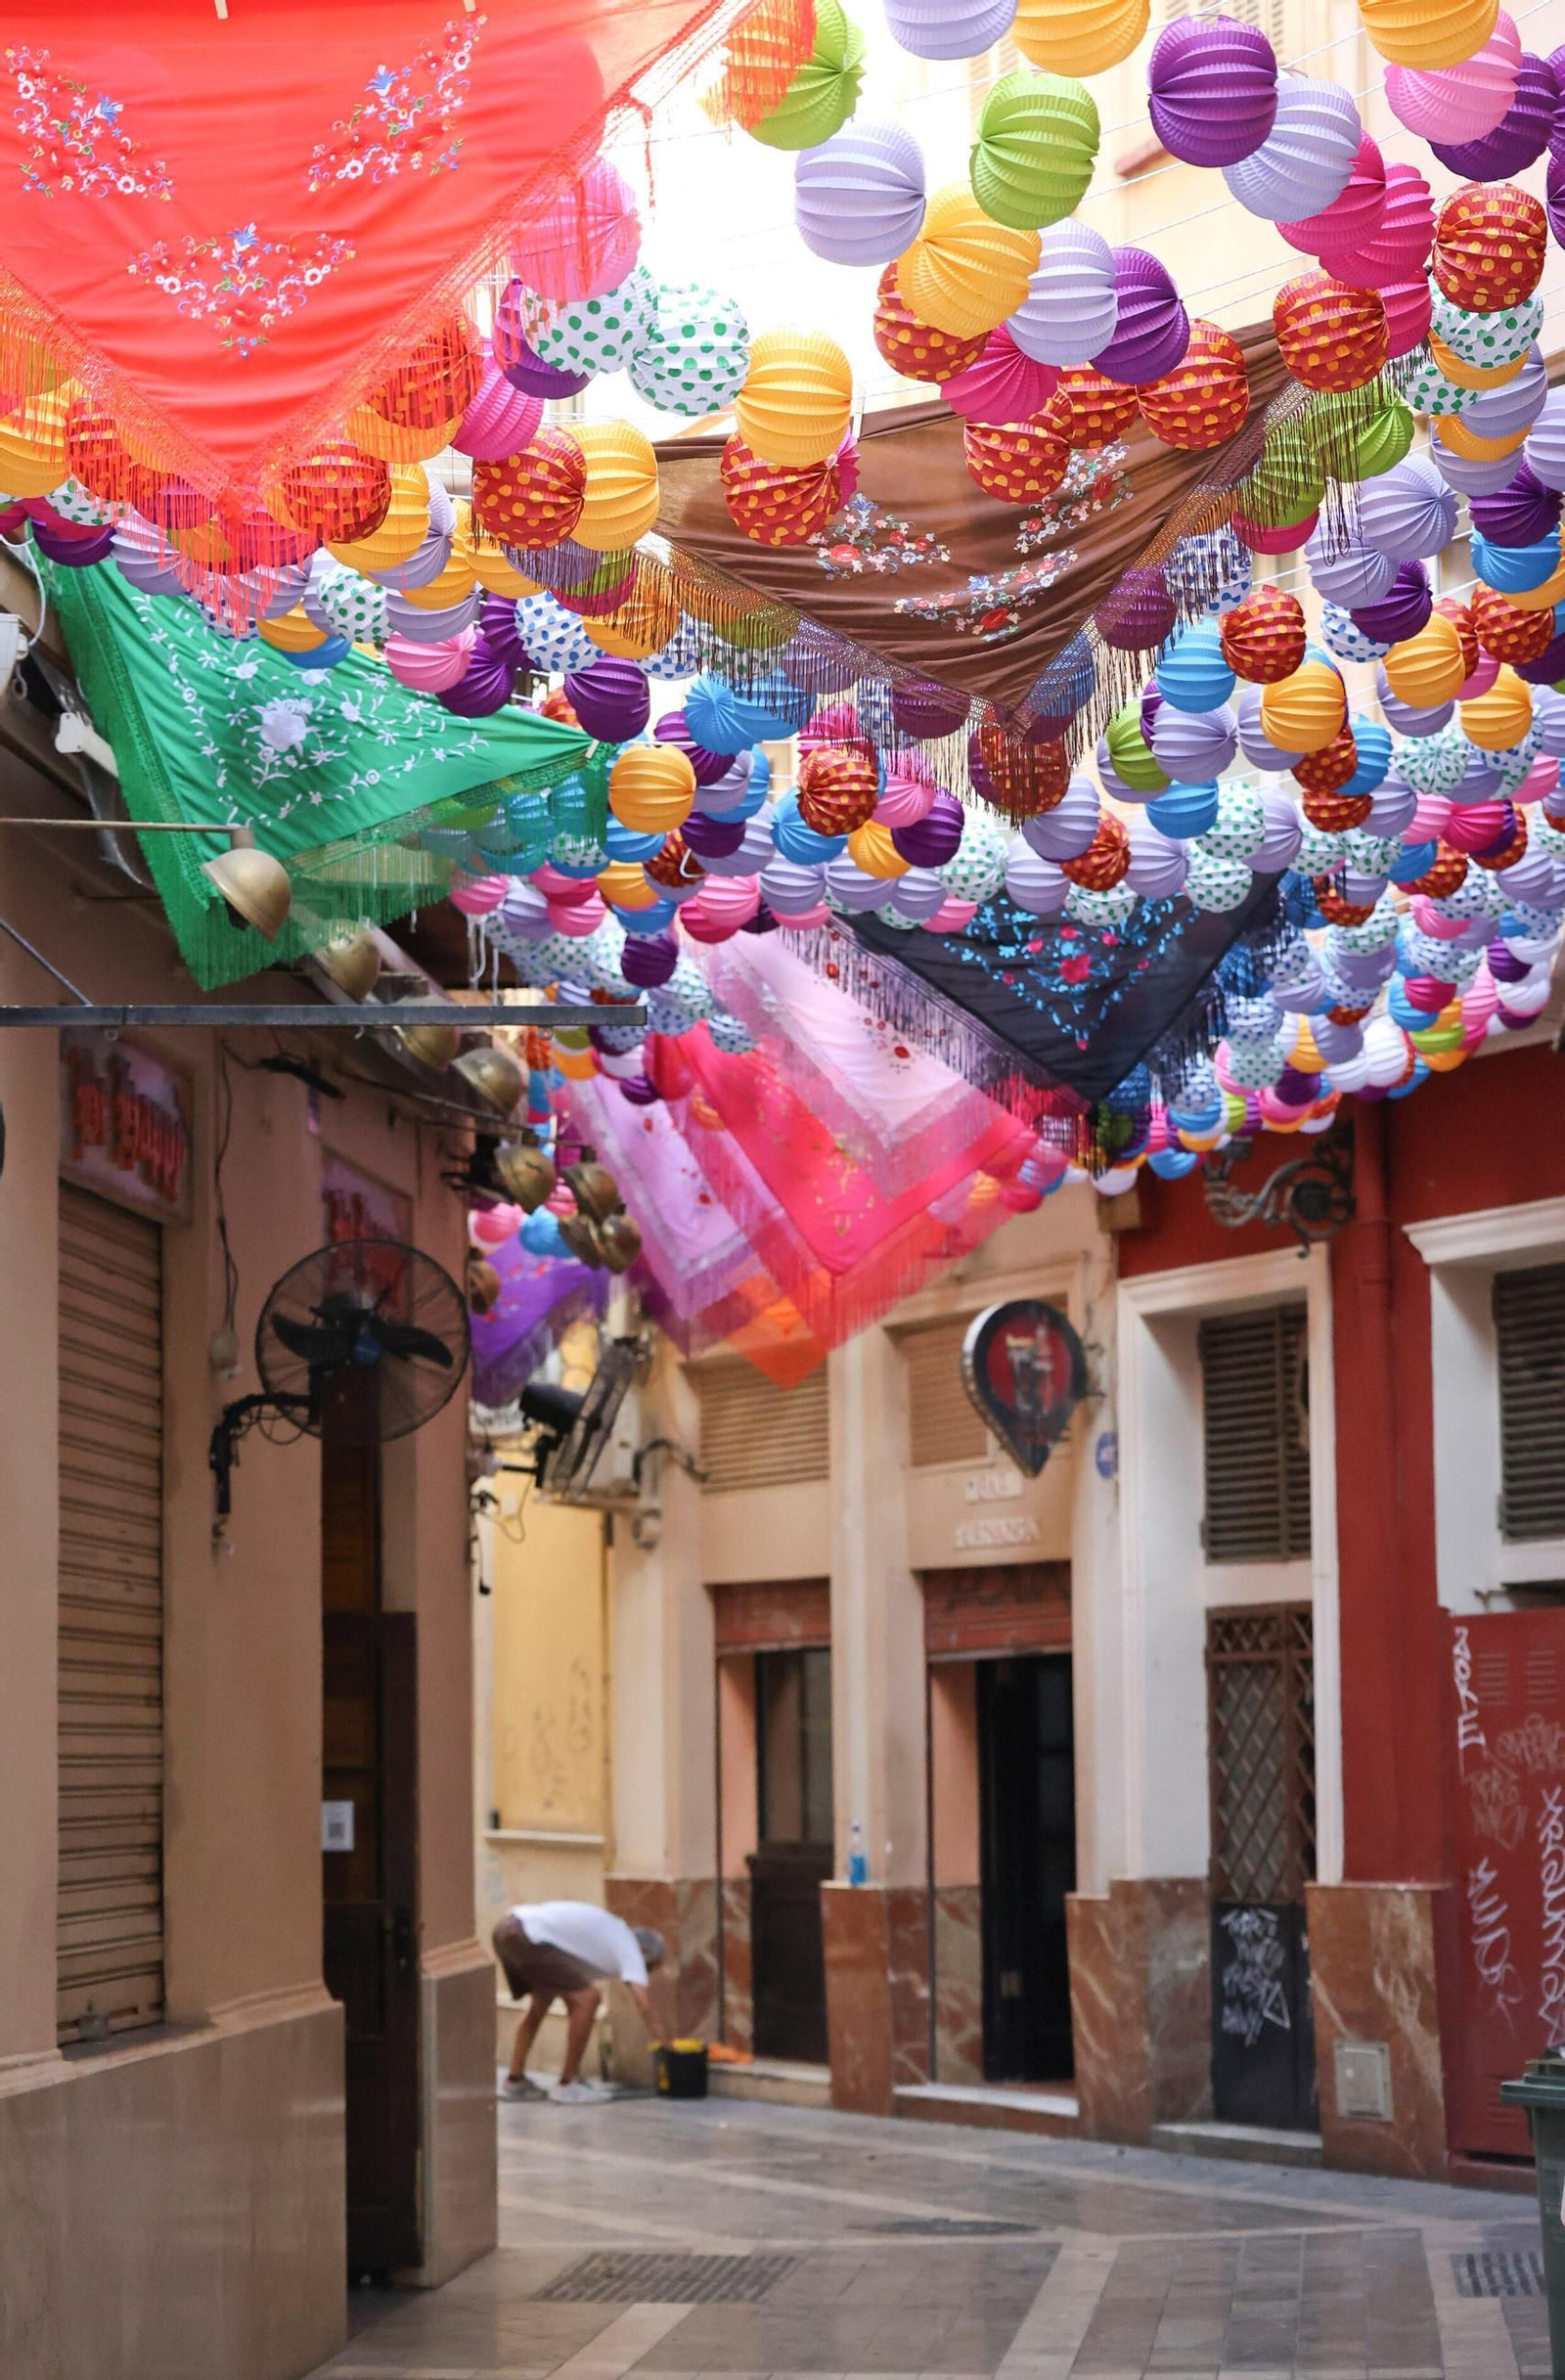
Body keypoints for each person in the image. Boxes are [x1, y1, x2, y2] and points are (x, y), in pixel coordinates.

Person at [492, 1900, 667, 2103]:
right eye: (650, 1967)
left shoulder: (604, 1941)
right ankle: (569, 2083)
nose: (647, 1973)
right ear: (645, 1952)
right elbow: (644, 2004)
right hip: (528, 1935)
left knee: (540, 2003)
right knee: (588, 1999)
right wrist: (667, 2047)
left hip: (508, 1929)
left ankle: (515, 2080)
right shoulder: (628, 1943)